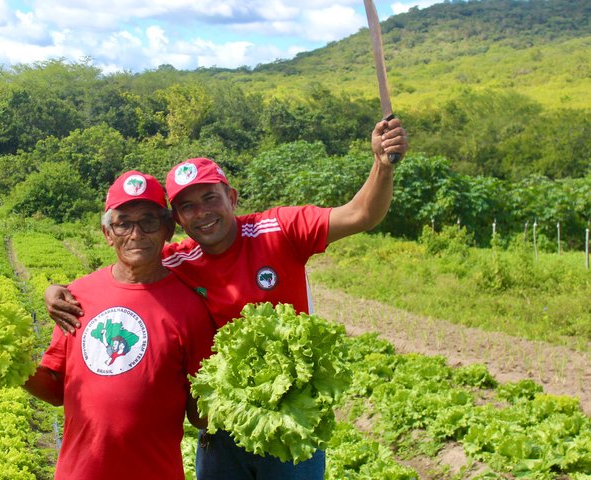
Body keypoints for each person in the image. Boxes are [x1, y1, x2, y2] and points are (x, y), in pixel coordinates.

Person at [45, 117, 408, 479]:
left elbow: (361, 214)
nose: (202, 213)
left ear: (231, 198)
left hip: (289, 420)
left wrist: (381, 164)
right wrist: (58, 291)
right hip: (219, 431)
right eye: (188, 207)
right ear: (179, 222)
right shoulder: (177, 259)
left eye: (209, 198)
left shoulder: (278, 230)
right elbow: (127, 272)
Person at [24, 170, 216, 480]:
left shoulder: (191, 307)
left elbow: (199, 414)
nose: (136, 234)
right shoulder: (77, 297)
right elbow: (56, 390)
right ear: (107, 233)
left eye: (149, 221)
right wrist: (14, 367)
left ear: (168, 229)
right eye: (123, 223)